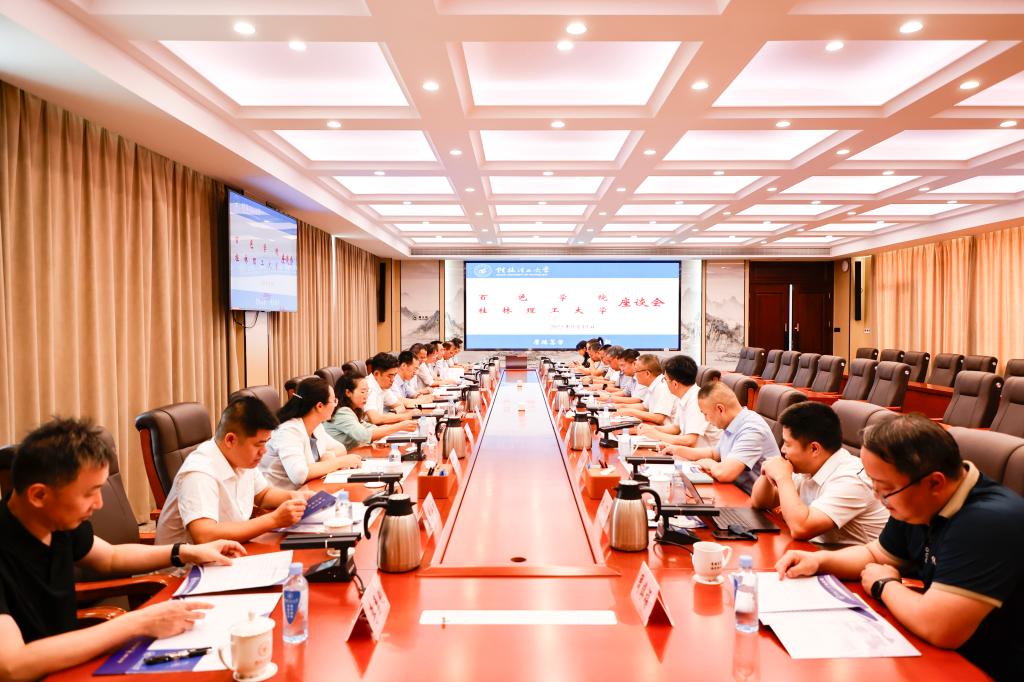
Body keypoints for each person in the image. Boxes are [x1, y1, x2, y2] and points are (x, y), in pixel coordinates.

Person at [775, 415, 1024, 680]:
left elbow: (939, 627)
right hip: (939, 655)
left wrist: (885, 585)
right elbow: (876, 554)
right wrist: (820, 562)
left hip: (988, 667)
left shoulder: (988, 521)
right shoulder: (917, 499)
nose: (877, 496)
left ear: (935, 483)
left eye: (884, 489)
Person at [0, 418, 245, 680]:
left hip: (73, 665)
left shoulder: (56, 521)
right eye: (89, 493)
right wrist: (138, 622)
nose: (99, 503)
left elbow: (110, 557)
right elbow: (12, 665)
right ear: (38, 495)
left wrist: (185, 552)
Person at [155, 397, 312, 545]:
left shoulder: (241, 458)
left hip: (230, 549)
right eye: (258, 444)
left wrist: (295, 497)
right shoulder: (199, 472)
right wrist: (274, 520)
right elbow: (204, 535)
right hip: (189, 563)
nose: (263, 451)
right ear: (230, 440)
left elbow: (263, 495)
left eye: (266, 443)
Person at [750, 401, 888, 545]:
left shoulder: (851, 479)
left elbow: (801, 528)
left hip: (850, 557)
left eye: (787, 444)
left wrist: (782, 478)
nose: (782, 449)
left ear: (814, 449)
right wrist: (767, 474)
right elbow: (760, 502)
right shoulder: (810, 465)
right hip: (817, 549)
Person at [661, 381, 778, 494]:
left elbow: (724, 473)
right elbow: (714, 454)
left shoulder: (752, 429)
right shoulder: (733, 422)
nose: (706, 419)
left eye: (706, 414)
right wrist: (676, 449)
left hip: (752, 499)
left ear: (720, 409)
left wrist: (709, 464)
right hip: (735, 490)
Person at [259, 377, 362, 490]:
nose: (335, 405)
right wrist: (339, 462)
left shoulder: (316, 426)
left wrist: (329, 456)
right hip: (280, 496)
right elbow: (299, 475)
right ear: (319, 406)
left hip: (306, 490)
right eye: (334, 400)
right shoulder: (288, 431)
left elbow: (341, 448)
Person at [638, 354, 721, 449]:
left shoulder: (696, 400)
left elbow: (689, 441)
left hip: (703, 455)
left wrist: (657, 435)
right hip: (688, 451)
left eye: (665, 380)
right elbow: (676, 428)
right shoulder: (684, 396)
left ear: (675, 384)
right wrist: (652, 429)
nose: (664, 383)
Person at [323, 374, 420, 450]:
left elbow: (370, 427)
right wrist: (399, 426)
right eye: (362, 392)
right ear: (348, 392)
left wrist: (391, 430)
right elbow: (364, 435)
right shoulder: (342, 412)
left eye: (367, 392)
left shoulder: (353, 410)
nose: (366, 396)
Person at [615, 354, 675, 426]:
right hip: (657, 427)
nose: (635, 375)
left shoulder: (662, 386)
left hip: (665, 429)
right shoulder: (654, 384)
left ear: (647, 373)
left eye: (636, 371)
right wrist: (622, 406)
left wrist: (631, 412)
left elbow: (658, 418)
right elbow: (644, 407)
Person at [364, 352, 419, 424]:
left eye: (394, 375)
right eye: (390, 376)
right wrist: (407, 416)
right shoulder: (368, 387)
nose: (393, 380)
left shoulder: (383, 385)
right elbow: (375, 419)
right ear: (376, 374)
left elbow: (400, 406)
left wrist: (392, 413)